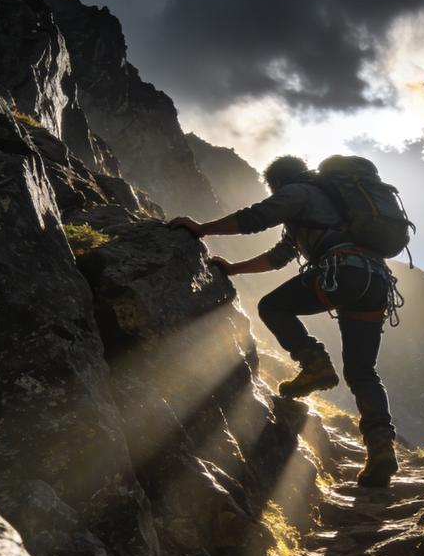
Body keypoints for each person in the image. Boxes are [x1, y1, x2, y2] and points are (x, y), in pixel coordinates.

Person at [168, 155, 400, 488]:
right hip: (376, 282)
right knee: (362, 372)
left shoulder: (299, 193)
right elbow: (279, 256)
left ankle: (314, 363)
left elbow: (257, 217)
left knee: (273, 307)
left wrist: (202, 230)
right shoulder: (335, 206)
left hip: (342, 272)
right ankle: (381, 448)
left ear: (278, 182)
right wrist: (234, 268)